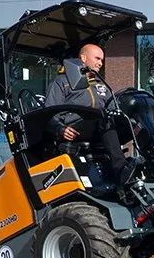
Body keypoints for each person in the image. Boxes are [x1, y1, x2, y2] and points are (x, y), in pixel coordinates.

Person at [44, 44, 138, 189]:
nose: (101, 63)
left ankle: (151, 167)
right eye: (97, 58)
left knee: (133, 122)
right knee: (102, 117)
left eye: (102, 60)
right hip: (75, 128)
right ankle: (121, 170)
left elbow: (112, 109)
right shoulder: (62, 82)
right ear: (83, 58)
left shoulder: (101, 85)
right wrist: (60, 129)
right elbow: (49, 112)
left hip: (99, 127)